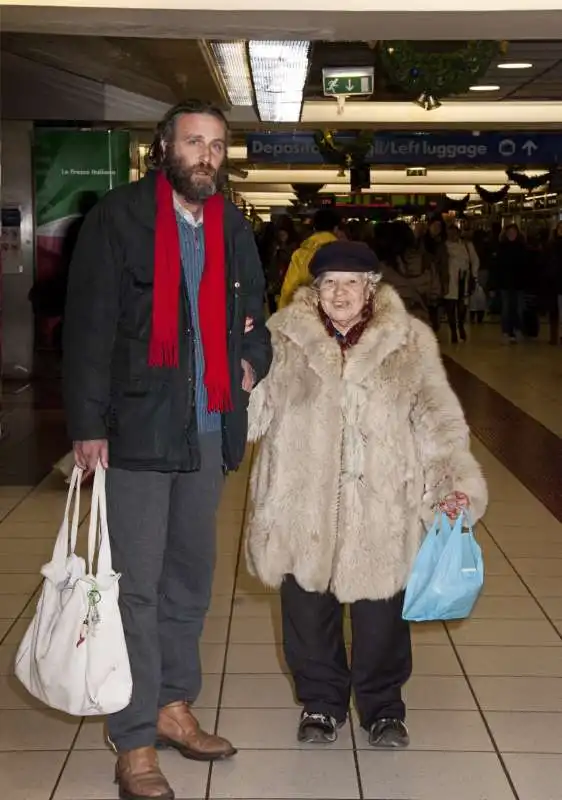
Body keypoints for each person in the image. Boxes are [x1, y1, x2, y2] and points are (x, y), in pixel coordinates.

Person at [63, 100, 272, 800]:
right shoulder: (118, 219)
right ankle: (135, 739)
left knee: (190, 583)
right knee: (137, 590)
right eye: (193, 142)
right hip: (138, 434)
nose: (206, 155)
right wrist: (87, 425)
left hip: (209, 432)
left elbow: (256, 320)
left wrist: (249, 361)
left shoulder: (233, 224)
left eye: (216, 145)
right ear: (165, 148)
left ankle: (174, 704)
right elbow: (88, 328)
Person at [244, 241, 487, 749]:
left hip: (381, 505)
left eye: (351, 282)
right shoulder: (283, 338)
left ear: (371, 287)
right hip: (300, 500)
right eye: (329, 283)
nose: (339, 293)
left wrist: (450, 483)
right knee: (308, 615)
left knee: (381, 619)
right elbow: (253, 414)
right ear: (314, 289)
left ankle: (383, 708)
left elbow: (435, 417)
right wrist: (237, 363)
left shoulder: (408, 340)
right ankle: (321, 702)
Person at [278, 208, 341, 308]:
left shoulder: (301, 254)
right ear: (336, 229)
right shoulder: (344, 253)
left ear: (314, 229)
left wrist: (282, 314)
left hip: (307, 312)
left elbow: (289, 289)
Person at [493, 224, 532, 343]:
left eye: (513, 232)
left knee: (519, 308)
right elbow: (497, 267)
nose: (511, 234)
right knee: (506, 308)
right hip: (505, 283)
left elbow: (527, 267)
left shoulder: (522, 248)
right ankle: (506, 331)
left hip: (519, 283)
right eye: (509, 232)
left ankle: (517, 329)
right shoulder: (501, 248)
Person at [444, 225, 479, 343]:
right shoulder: (444, 247)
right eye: (450, 233)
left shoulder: (467, 246)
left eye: (455, 233)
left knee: (462, 305)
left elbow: (475, 260)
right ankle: (453, 330)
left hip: (464, 278)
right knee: (450, 306)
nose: (453, 235)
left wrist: (474, 275)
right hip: (449, 280)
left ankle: (461, 326)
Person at [420, 217, 449, 334]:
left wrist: (445, 281)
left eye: (439, 227)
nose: (437, 229)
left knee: (434, 306)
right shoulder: (421, 242)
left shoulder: (441, 244)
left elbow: (444, 264)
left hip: (435, 278)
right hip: (423, 278)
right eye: (435, 226)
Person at [544, 221, 562, 345]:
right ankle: (554, 336)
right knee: (554, 311)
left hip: (557, 280)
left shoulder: (551, 245)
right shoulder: (551, 245)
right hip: (553, 281)